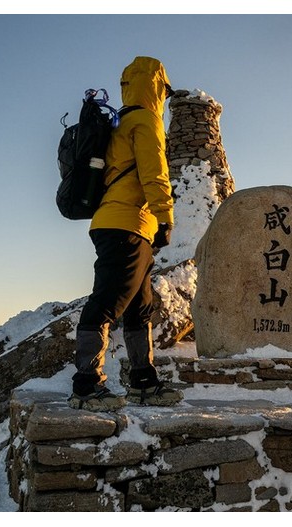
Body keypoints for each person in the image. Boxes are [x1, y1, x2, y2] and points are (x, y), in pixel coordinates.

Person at [68, 56, 183, 411]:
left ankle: (143, 380)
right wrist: (165, 218)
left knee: (139, 307)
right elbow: (155, 174)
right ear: (157, 88)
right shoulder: (145, 121)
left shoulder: (121, 122)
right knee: (107, 302)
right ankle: (86, 386)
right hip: (126, 225)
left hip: (121, 223)